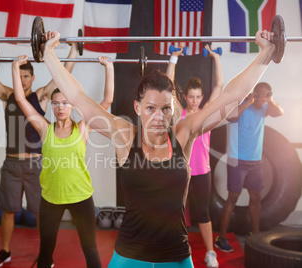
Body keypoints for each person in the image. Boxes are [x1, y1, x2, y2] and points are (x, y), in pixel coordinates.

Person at [40, 29, 276, 268]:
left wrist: (266, 53)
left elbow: (231, 96)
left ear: (173, 109)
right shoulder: (124, 136)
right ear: (137, 107)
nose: (158, 117)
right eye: (151, 108)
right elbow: (79, 97)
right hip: (128, 257)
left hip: (175, 256)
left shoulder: (184, 133)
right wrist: (48, 53)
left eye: (165, 109)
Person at [0, 38, 78, 268]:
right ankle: (5, 251)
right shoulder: (6, 95)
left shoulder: (40, 95)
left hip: (37, 165)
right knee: (8, 211)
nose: (22, 80)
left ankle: (45, 255)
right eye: (19, 76)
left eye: (26, 76)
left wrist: (74, 48)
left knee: (42, 213)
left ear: (32, 77)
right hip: (11, 165)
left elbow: (63, 75)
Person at [12, 55, 115, 268]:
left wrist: (109, 67)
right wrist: (14, 67)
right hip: (51, 198)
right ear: (51, 106)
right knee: (45, 253)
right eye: (56, 103)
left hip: (81, 197)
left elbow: (107, 101)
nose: (61, 107)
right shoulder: (44, 129)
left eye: (65, 103)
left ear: (71, 106)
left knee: (91, 250)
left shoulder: (83, 126)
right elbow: (21, 100)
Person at [166, 44, 223, 267]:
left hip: (202, 172)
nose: (195, 101)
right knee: (174, 211)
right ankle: (172, 250)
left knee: (202, 212)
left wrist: (216, 57)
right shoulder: (178, 113)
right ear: (185, 97)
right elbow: (168, 88)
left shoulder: (204, 115)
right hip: (179, 171)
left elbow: (219, 85)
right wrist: (173, 58)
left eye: (198, 97)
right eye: (191, 97)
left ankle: (210, 253)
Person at [215, 82, 284, 252]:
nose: (264, 98)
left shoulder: (266, 107)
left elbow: (279, 112)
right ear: (254, 94)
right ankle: (220, 238)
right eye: (261, 95)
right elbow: (230, 117)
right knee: (233, 197)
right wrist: (249, 101)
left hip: (255, 161)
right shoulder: (242, 105)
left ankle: (255, 234)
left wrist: (270, 100)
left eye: (267, 94)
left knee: (255, 197)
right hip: (237, 160)